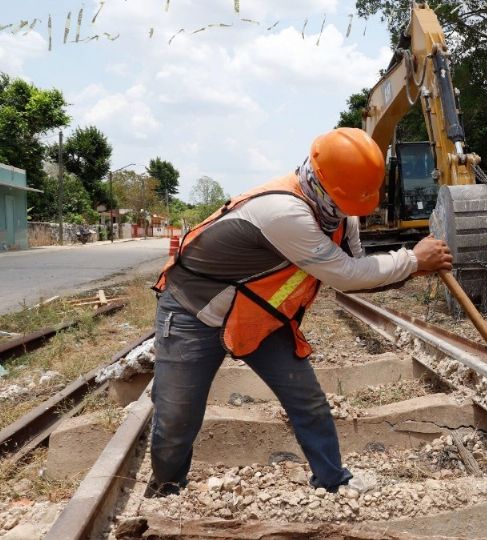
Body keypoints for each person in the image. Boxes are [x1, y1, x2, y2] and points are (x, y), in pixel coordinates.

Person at [148, 127, 453, 496]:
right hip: (192, 312)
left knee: (306, 399)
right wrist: (411, 258)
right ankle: (167, 489)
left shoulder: (340, 212)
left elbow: (360, 272)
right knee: (178, 414)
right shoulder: (284, 212)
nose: (349, 213)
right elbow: (345, 274)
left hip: (256, 317)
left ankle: (332, 482)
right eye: (346, 203)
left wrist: (415, 267)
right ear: (325, 185)